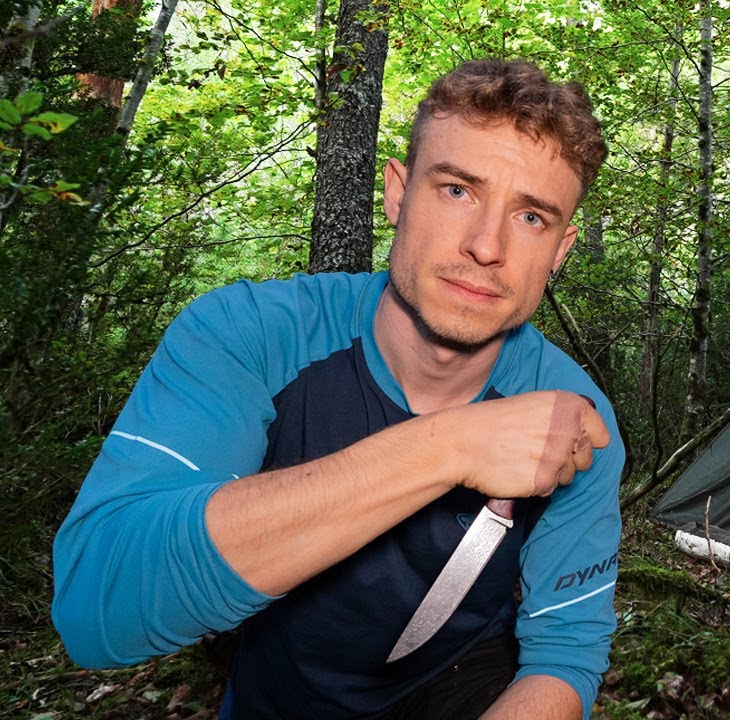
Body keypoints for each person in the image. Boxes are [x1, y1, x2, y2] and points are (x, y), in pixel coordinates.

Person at [52, 59, 623, 720]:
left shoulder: (574, 420)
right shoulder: (251, 335)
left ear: (561, 248)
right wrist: (448, 447)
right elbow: (96, 607)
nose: (487, 246)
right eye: (458, 190)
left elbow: (563, 658)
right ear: (397, 194)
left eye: (531, 217)